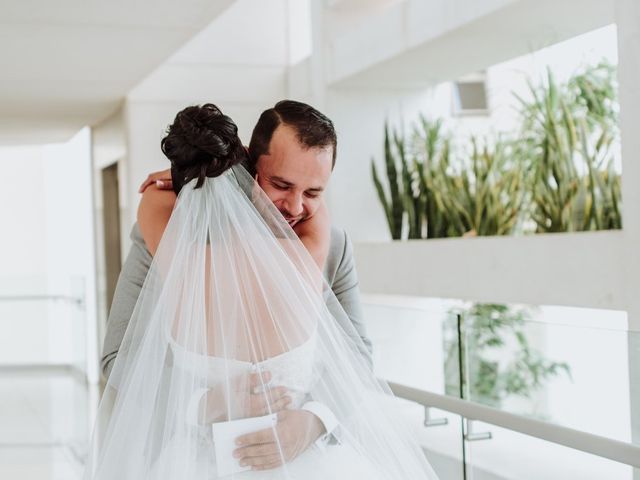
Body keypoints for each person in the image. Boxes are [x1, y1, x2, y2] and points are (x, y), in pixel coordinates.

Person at [85, 103, 438, 479]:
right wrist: (205, 404)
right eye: (282, 185)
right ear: (251, 166)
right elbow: (117, 357)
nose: (296, 207)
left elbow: (357, 356)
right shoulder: (170, 233)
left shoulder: (331, 244)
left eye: (314, 192)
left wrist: (313, 422)